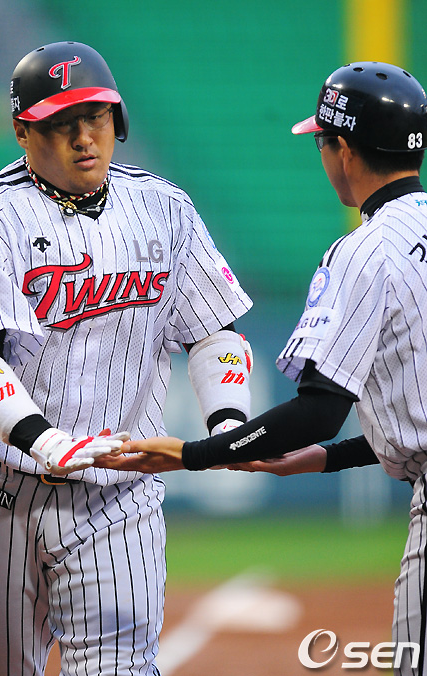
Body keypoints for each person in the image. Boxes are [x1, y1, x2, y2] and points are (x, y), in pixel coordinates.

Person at [0, 41, 254, 676]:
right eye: (61, 123)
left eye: (95, 117)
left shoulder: (165, 209)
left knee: (120, 665)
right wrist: (46, 441)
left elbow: (214, 331)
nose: (84, 138)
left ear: (117, 119)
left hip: (118, 493)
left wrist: (228, 423)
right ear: (23, 131)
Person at [95, 61, 427, 674]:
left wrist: (193, 454)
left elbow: (320, 409)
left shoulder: (365, 251)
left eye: (322, 142)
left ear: (344, 150)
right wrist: (322, 459)